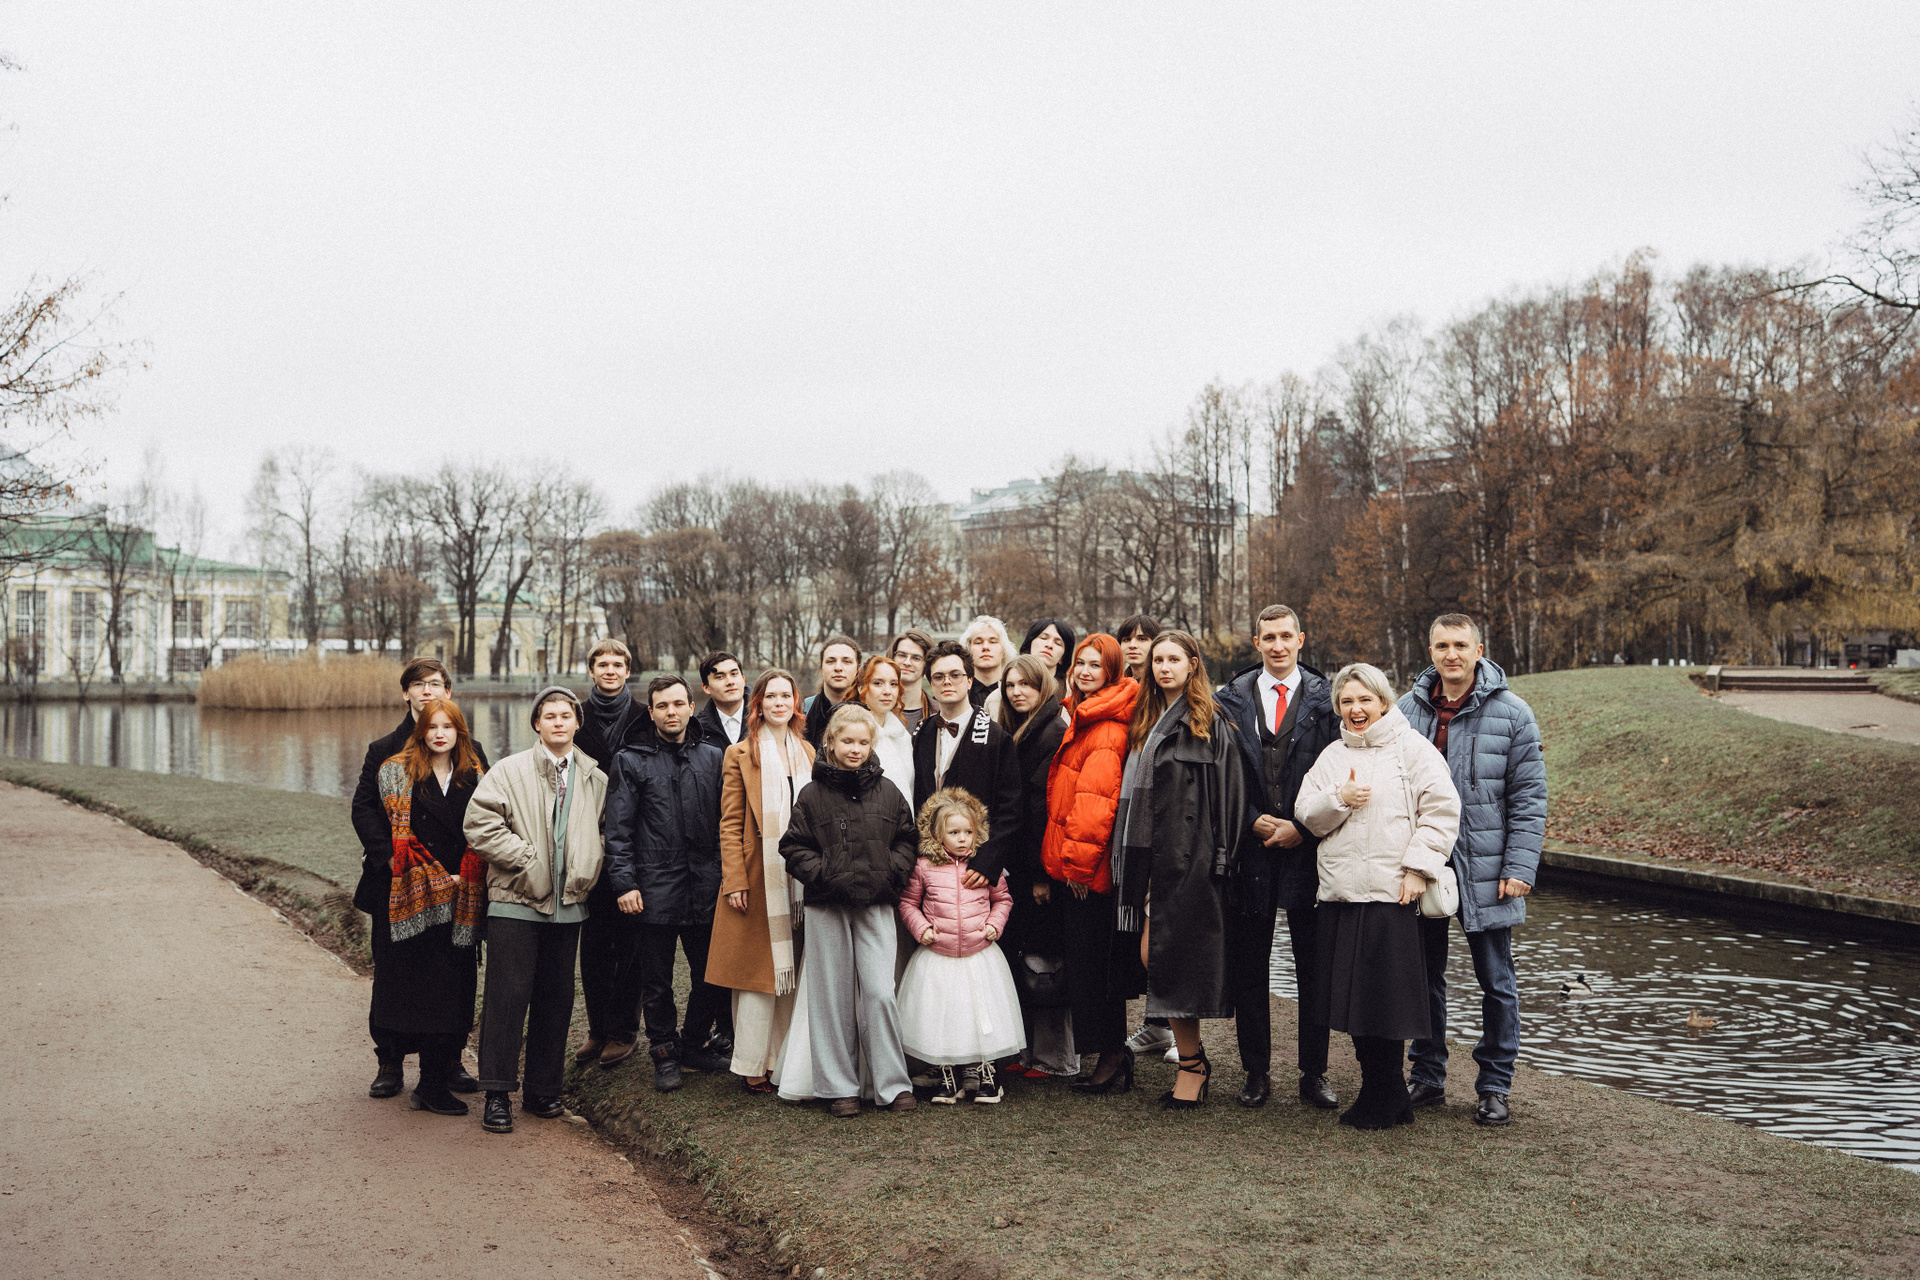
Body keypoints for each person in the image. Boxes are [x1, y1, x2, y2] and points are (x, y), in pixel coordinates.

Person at [1296, 662, 1461, 1130]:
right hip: (1343, 894)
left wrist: (1418, 869)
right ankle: (1384, 1092)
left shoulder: (1413, 749)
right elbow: (1307, 814)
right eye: (1347, 701)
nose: (1356, 709)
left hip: (1393, 894)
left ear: (1384, 702)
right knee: (1354, 1001)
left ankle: (1384, 1093)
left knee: (1386, 1001)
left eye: (1365, 699)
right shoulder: (1332, 755)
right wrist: (1340, 799)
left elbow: (1442, 812)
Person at [1399, 613, 1546, 1128]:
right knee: (1423, 977)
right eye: (1442, 645)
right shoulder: (1406, 710)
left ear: (1479, 650)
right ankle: (1427, 1075)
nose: (1452, 654)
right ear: (1431, 651)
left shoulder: (1513, 713)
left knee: (1496, 981)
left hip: (1488, 866)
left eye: (1461, 645)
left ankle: (1494, 1086)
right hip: (1423, 862)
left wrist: (1519, 866)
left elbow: (1529, 798)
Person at [1112, 629, 1248, 1109]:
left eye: (1174, 659)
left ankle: (1192, 1066)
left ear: (1193, 664)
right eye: (1157, 660)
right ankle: (1193, 1060)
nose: (1164, 667)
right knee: (1158, 957)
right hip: (1151, 857)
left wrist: (1222, 859)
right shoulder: (1146, 718)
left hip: (1191, 859)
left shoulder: (1210, 721)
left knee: (1164, 958)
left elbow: (1231, 796)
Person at [1213, 605, 1341, 1110]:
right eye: (1269, 637)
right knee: (1251, 965)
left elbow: (1339, 774)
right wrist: (1249, 819)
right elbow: (1220, 773)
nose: (1278, 645)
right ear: (1257, 642)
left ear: (1301, 639)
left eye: (1286, 636)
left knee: (1314, 966)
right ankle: (1256, 1071)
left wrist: (1302, 827)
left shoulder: (1327, 700)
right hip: (1251, 850)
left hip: (1309, 851)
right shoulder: (1229, 700)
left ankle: (1314, 1073)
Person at [467, 686, 608, 1135]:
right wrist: (527, 859)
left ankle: (543, 1091)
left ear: (577, 723)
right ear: (537, 724)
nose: (559, 722)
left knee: (556, 999)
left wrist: (589, 863)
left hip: (569, 906)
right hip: (516, 903)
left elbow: (606, 830)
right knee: (507, 999)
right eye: (550, 716)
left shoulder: (595, 778)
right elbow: (479, 823)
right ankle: (497, 1093)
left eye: (566, 715)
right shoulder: (509, 770)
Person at [352, 657, 487, 1097]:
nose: (427, 691)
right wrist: (392, 859)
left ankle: (450, 1059)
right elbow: (363, 809)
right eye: (418, 684)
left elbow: (487, 810)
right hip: (399, 882)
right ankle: (390, 1060)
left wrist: (470, 867)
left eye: (435, 683)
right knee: (396, 973)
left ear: (448, 692)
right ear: (405, 693)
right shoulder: (384, 750)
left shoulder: (471, 750)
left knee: (456, 972)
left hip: (458, 884)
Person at [778, 704, 920, 1117]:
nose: (855, 749)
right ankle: (839, 1087)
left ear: (871, 744)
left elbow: (907, 839)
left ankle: (892, 1085)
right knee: (832, 997)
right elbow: (793, 846)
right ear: (831, 742)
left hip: (875, 904)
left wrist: (890, 872)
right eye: (847, 741)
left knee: (880, 993)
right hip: (828, 904)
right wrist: (823, 874)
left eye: (862, 742)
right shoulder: (812, 794)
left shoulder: (888, 791)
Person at [604, 675, 730, 1092]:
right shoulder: (630, 759)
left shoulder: (713, 756)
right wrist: (625, 883)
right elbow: (618, 829)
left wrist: (727, 876)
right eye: (662, 706)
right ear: (651, 712)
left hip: (706, 884)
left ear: (692, 707)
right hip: (653, 886)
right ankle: (663, 1052)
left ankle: (693, 1044)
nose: (671, 712)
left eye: (678, 704)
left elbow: (727, 823)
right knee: (656, 980)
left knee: (710, 975)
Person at [1041, 633, 1141, 1093]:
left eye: (1095, 665)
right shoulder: (1085, 714)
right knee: (1090, 966)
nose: (1083, 671)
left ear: (1112, 672)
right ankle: (1110, 1053)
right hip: (1075, 866)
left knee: (1094, 969)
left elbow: (1096, 804)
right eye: (1080, 663)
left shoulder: (1105, 727)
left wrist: (1078, 870)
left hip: (1087, 872)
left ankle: (1112, 1056)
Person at [708, 669, 815, 1092]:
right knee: (757, 976)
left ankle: (782, 1060)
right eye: (771, 696)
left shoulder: (808, 751)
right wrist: (735, 879)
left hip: (800, 880)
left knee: (792, 973)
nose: (778, 703)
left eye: (786, 696)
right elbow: (730, 823)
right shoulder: (739, 754)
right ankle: (753, 1062)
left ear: (796, 703)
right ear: (758, 704)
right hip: (759, 876)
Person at [896, 789, 1024, 1104]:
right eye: (954, 832)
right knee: (943, 1013)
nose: (963, 838)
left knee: (980, 1011)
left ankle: (985, 1072)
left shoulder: (986, 865)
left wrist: (994, 925)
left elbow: (1003, 899)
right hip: (938, 954)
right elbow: (908, 902)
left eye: (968, 832)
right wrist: (921, 928)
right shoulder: (924, 866)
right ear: (938, 835)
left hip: (979, 953)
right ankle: (947, 1073)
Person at [574, 637, 655, 1071]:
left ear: (627, 670)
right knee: (593, 941)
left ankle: (623, 1030)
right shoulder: (575, 717)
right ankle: (597, 1028)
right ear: (591, 670)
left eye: (617, 664)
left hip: (635, 840)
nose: (609, 671)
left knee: (632, 940)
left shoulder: (644, 716)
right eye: (601, 664)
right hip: (586, 841)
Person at [993, 653, 1074, 1079]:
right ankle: (1025, 1050)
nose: (1016, 692)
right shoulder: (1016, 729)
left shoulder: (1053, 731)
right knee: (1025, 957)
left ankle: (1055, 1057)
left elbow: (1047, 807)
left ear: (1043, 686)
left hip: (1040, 864)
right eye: (1010, 685)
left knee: (1046, 962)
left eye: (1025, 684)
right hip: (1019, 863)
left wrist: (1043, 874)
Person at [910, 641, 1025, 891]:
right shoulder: (921, 733)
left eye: (955, 675)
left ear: (970, 681)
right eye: (939, 677)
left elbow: (1011, 810)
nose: (947, 682)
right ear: (931, 684)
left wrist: (987, 863)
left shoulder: (995, 738)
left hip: (975, 866)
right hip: (929, 866)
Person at [854, 653, 916, 799]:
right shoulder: (852, 732)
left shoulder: (902, 736)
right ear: (861, 688)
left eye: (893, 684)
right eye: (878, 683)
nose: (887, 691)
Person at [802, 635, 862, 747]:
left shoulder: (870, 711)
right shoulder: (804, 711)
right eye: (830, 661)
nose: (838, 668)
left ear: (858, 668)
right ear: (821, 668)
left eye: (846, 661)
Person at [960, 614, 1014, 708]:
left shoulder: (1015, 691)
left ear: (1004, 651)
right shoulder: (959, 692)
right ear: (968, 651)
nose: (985, 647)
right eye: (978, 643)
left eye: (992, 642)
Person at [695, 650, 748, 746]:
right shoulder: (698, 731)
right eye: (720, 677)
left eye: (734, 674)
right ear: (706, 688)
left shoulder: (765, 716)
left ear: (743, 680)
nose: (730, 682)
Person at [888, 629, 934, 732]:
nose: (907, 662)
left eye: (916, 658)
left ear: (926, 665)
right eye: (902, 655)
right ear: (892, 658)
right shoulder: (872, 709)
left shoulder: (939, 713)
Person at [1114, 614, 1160, 684]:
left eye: (1142, 639)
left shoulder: (1163, 684)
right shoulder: (1116, 685)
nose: (1132, 645)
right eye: (1126, 639)